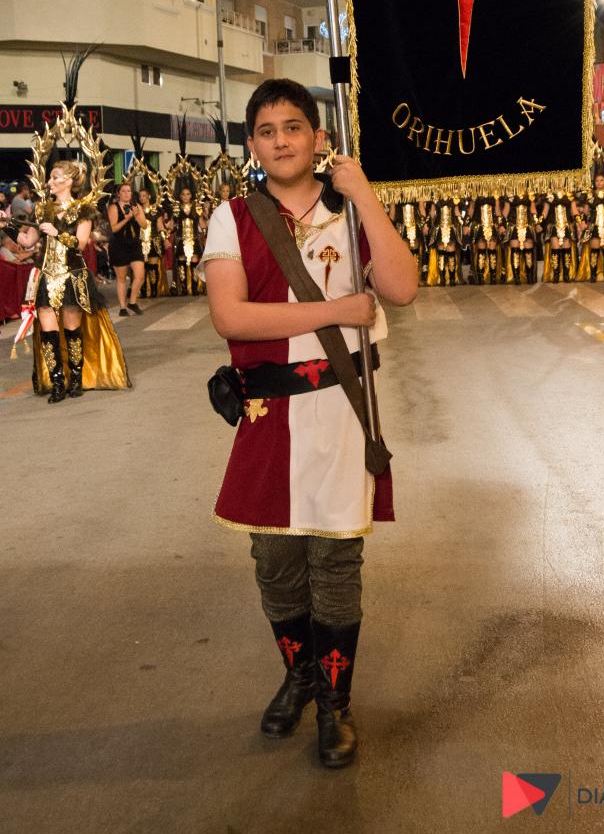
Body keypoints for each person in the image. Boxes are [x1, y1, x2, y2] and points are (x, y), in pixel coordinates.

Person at [200, 78, 417, 769]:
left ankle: (334, 702)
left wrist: (367, 198)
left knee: (336, 563)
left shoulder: (349, 210)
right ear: (252, 144)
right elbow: (232, 317)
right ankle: (298, 675)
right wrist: (337, 311)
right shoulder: (233, 217)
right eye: (266, 131)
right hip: (270, 414)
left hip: (342, 410)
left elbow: (401, 287)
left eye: (293, 127)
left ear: (319, 138)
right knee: (274, 563)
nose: (281, 141)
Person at [16, 160, 130, 401]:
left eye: (55, 177)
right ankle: (57, 382)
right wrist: (7, 225)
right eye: (50, 178)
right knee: (48, 331)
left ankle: (75, 379)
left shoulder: (83, 210)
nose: (50, 182)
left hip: (72, 276)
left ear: (68, 181)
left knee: (72, 329)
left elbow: (80, 243)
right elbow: (27, 241)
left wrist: (56, 232)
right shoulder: (42, 209)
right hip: (46, 276)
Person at [107, 182, 147, 315]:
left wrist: (136, 215)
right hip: (119, 244)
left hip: (134, 243)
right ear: (118, 194)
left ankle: (132, 302)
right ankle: (122, 307)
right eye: (123, 191)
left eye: (129, 191)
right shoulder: (113, 207)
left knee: (140, 275)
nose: (126, 193)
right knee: (122, 278)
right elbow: (114, 228)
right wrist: (127, 218)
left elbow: (144, 225)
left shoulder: (137, 206)